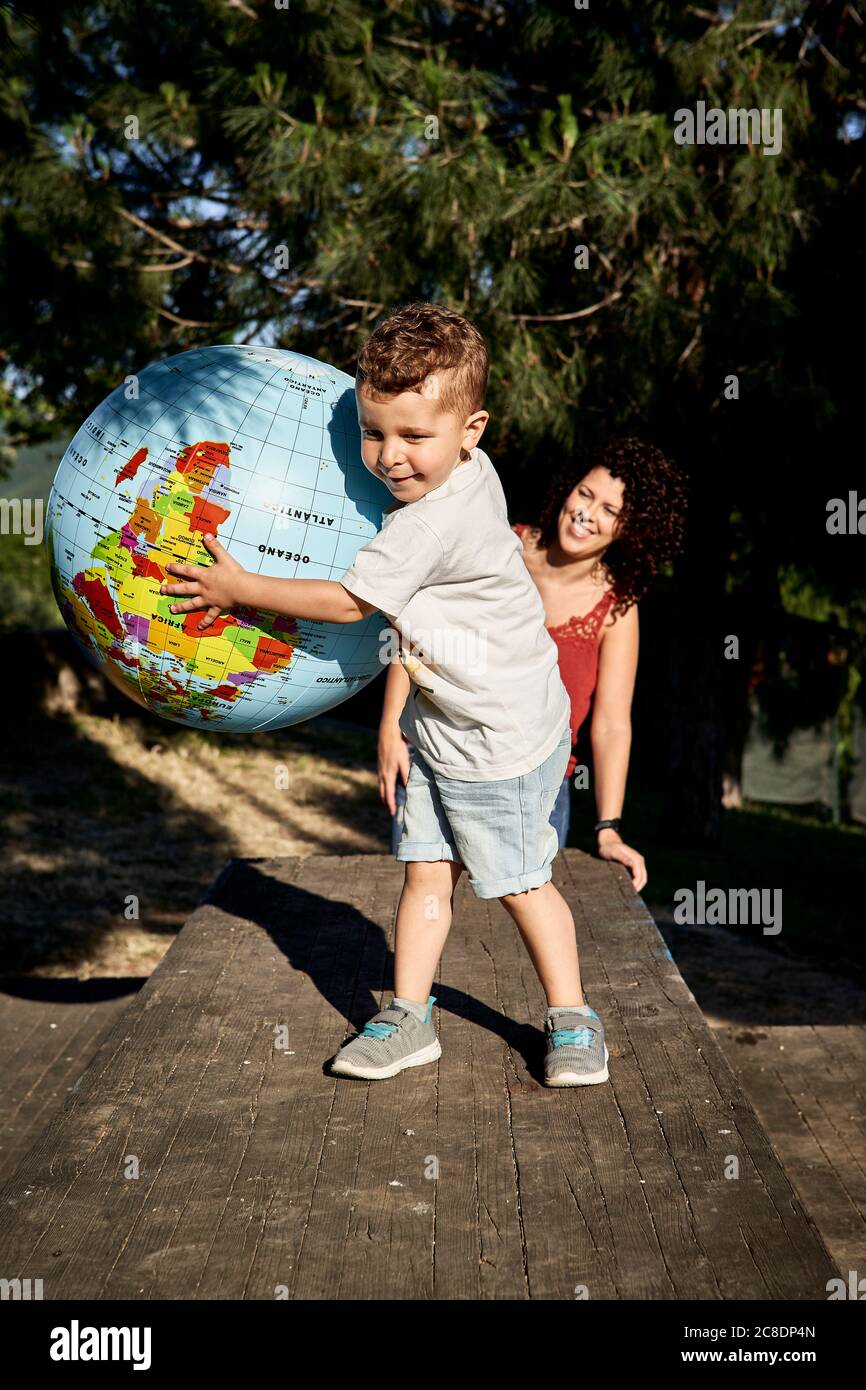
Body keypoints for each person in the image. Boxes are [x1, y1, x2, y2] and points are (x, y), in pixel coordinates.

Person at [159, 302, 601, 1088]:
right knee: (425, 874)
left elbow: (350, 604)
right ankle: (408, 1013)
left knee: (524, 886)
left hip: (498, 738)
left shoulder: (430, 525)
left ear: (473, 429)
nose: (389, 457)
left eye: (413, 437)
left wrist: (237, 587)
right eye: (373, 432)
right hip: (444, 719)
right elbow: (418, 624)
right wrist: (399, 717)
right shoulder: (469, 469)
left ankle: (572, 1017)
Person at [381, 438, 688, 896]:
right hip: (440, 758)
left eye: (610, 509)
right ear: (568, 490)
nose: (587, 512)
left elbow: (610, 726)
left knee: (508, 946)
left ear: (630, 530)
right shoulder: (497, 543)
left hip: (537, 789)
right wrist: (391, 728)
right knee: (424, 909)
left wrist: (608, 826)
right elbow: (421, 632)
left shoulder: (618, 608)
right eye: (585, 494)